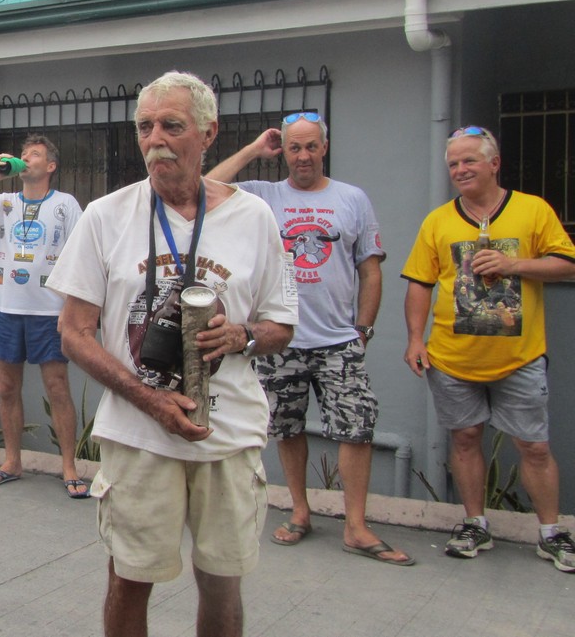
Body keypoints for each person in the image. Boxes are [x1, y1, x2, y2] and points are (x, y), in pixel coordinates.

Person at [47, 71, 297, 637]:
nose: (155, 139)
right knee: (129, 579)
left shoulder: (254, 217)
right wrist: (150, 400)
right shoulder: (105, 216)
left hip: (227, 433)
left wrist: (241, 336)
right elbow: (74, 333)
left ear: (208, 134)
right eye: (145, 127)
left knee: (223, 582)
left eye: (171, 126)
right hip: (139, 436)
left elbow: (281, 324)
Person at [207, 115, 412, 565]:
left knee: (356, 429)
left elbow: (370, 269)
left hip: (339, 341)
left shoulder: (352, 199)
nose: (303, 156)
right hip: (279, 339)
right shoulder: (263, 196)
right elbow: (207, 187)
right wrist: (254, 149)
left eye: (311, 147)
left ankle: (356, 526)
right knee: (287, 428)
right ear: (284, 151)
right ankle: (300, 512)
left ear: (325, 148)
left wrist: (363, 329)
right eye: (294, 148)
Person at [402, 125, 575, 572]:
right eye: (453, 163)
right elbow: (419, 283)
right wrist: (416, 338)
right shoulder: (438, 221)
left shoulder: (532, 210)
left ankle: (551, 533)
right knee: (464, 440)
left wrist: (513, 263)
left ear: (494, 164)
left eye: (469, 160)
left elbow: (566, 263)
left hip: (519, 359)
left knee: (534, 447)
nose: (460, 169)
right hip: (452, 359)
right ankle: (475, 523)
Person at [0, 135, 88, 497]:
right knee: (6, 387)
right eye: (24, 154)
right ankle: (12, 462)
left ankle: (69, 467)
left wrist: (71, 308)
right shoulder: (5, 202)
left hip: (49, 310)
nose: (26, 158)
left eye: (35, 154)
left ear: (51, 166)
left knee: (57, 387)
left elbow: (81, 257)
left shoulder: (65, 204)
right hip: (7, 307)